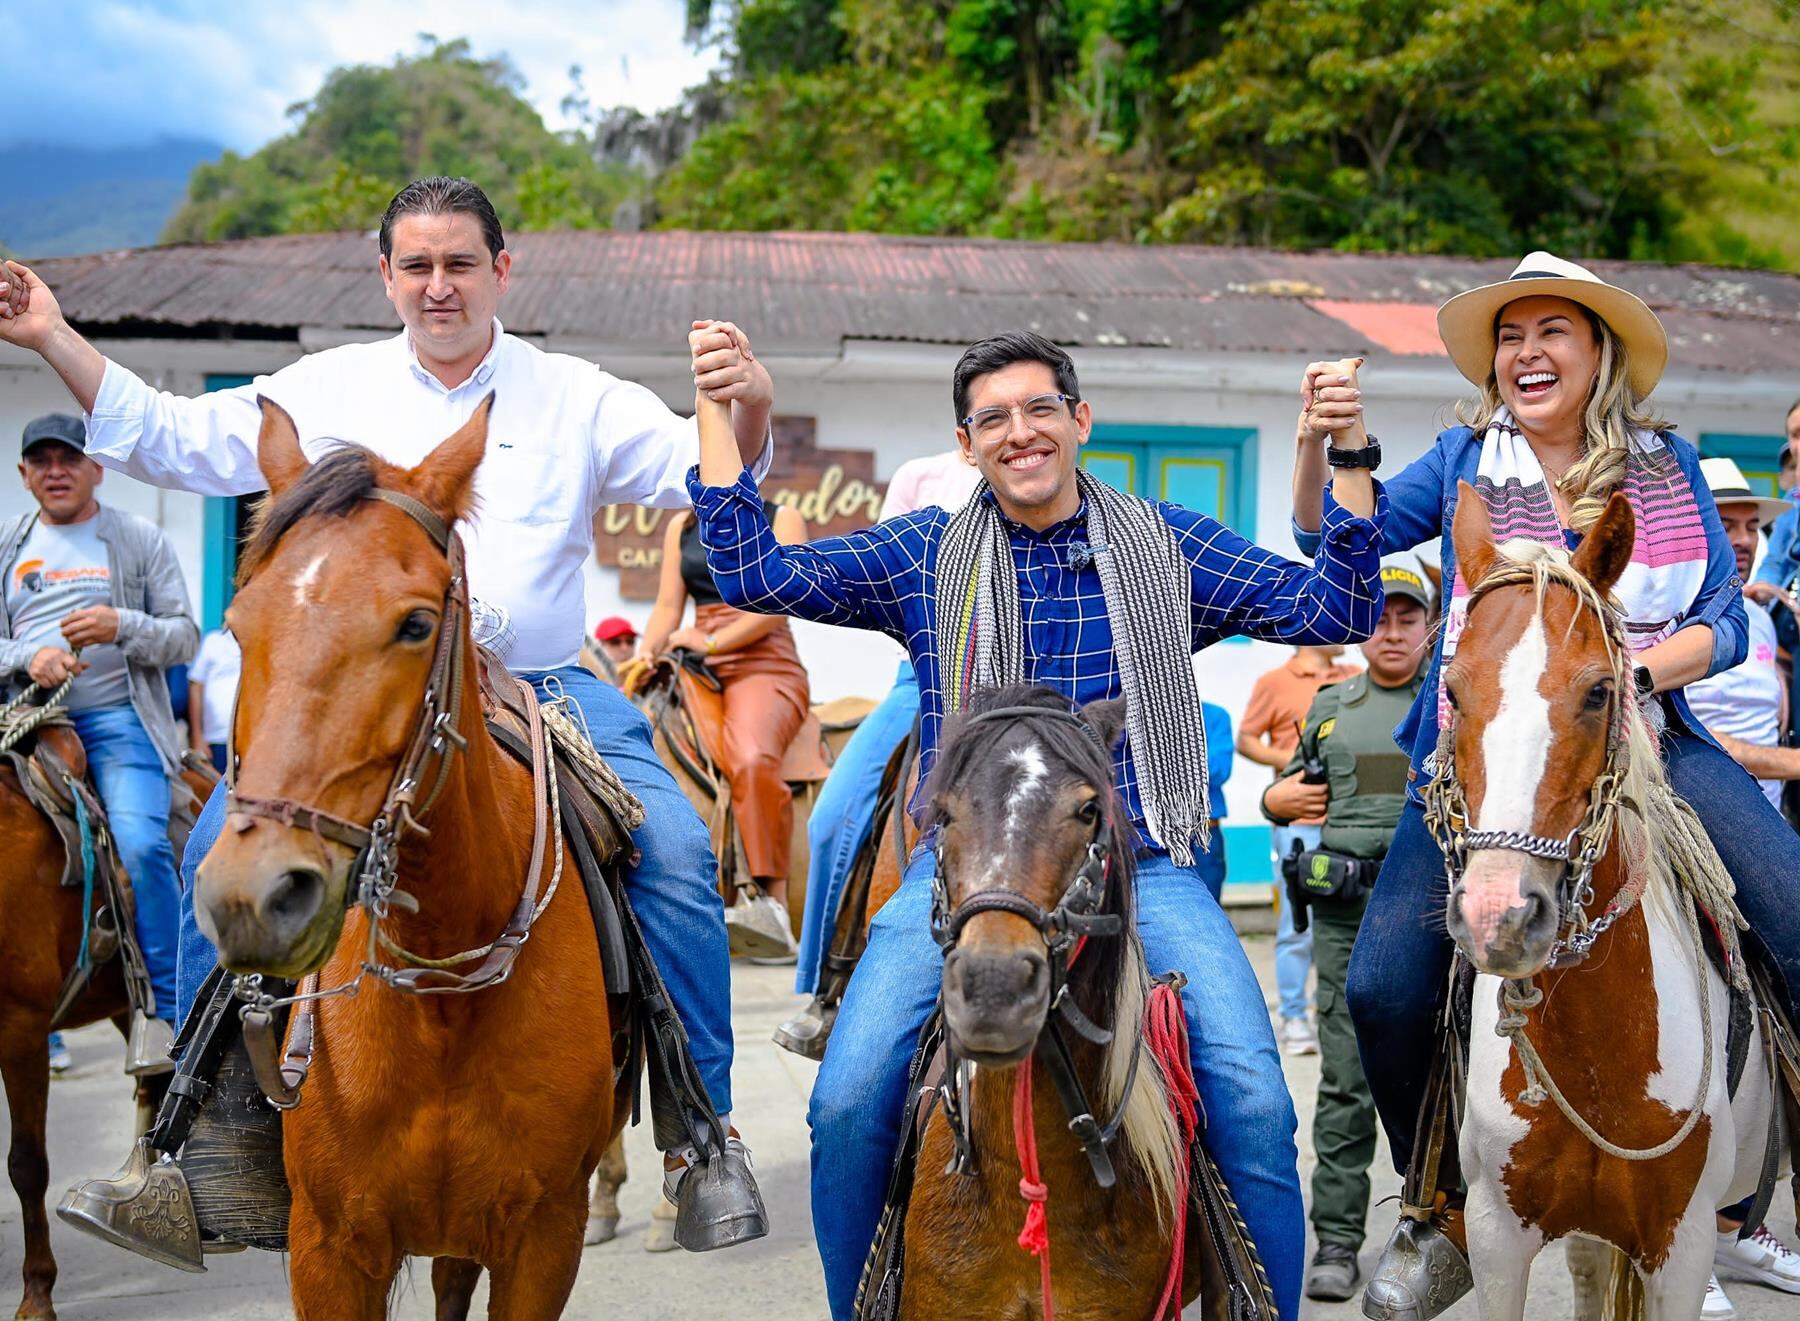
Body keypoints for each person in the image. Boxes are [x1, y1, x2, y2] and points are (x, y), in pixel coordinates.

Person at [0, 176, 777, 1251]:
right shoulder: (328, 385)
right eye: (416, 265)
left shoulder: (574, 394)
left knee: (682, 849)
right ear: (386, 276)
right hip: (363, 695)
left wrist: (749, 407)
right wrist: (51, 333)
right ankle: (190, 1142)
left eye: (460, 263)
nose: (438, 285)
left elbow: (710, 474)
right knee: (204, 861)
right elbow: (175, 437)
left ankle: (703, 1133)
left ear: (502, 271)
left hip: (543, 686)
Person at [689, 329, 1389, 1321]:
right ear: (967, 444)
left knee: (1255, 1102)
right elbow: (751, 574)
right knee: (847, 1102)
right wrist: (735, 414)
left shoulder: (1168, 545)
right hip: (968, 879)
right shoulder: (921, 555)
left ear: (1079, 421)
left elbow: (1347, 600)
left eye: (1039, 410)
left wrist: (1348, 451)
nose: (1020, 433)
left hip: (1144, 868)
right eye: (993, 419)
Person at [1293, 251, 1800, 1319]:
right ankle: (1434, 1208)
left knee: (1792, 907)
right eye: (1510, 337)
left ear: (1598, 353)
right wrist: (1337, 446)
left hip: (1646, 732)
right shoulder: (1465, 459)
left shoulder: (1669, 469)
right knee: (1382, 983)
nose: (1526, 353)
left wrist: (1624, 679)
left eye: (1550, 332)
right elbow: (1347, 538)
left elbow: (1726, 616)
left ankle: (1749, 1198)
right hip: (1481, 762)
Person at [2, 413, 198, 1068]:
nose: (56, 470)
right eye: (43, 460)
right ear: (25, 473)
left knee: (143, 844)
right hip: (26, 721)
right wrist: (30, 656)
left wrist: (123, 624)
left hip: (118, 719)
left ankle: (169, 1012)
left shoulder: (137, 539)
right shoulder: (10, 546)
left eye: (70, 459)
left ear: (97, 470)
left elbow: (183, 635)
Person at [1261, 556, 1432, 1302]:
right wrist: (1274, 798)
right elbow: (1284, 791)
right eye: (1381, 615)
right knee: (1345, 1078)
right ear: (1362, 625)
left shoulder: (1452, 706)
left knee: (1434, 1081)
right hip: (1342, 916)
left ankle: (1428, 1231)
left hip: (1430, 918)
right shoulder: (1329, 707)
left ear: (1431, 627)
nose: (1393, 631)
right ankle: (1336, 1235)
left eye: (1409, 616)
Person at [781, 448, 980, 1052]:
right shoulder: (921, 476)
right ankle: (828, 990)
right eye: (990, 413)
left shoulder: (1056, 487)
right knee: (830, 818)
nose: (1013, 429)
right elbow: (882, 583)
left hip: (1021, 680)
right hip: (921, 679)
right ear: (965, 428)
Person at [636, 502, 812, 958]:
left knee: (751, 755)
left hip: (764, 660)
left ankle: (769, 902)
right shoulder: (682, 523)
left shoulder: (781, 516)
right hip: (696, 661)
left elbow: (781, 604)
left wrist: (712, 640)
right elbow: (668, 607)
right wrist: (647, 651)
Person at [1237, 644, 1359, 1055]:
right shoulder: (1273, 682)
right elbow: (1247, 739)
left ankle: (1346, 1017)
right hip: (1298, 827)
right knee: (1296, 926)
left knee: (1354, 924)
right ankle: (1293, 1016)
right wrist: (1288, 757)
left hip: (1352, 821)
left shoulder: (1354, 676)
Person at [186, 626, 240, 773]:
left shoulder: (262, 641)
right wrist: (197, 736)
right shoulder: (214, 641)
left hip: (251, 742)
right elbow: (195, 686)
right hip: (216, 740)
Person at [1196, 700, 1235, 900]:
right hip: (1151, 838)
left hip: (1204, 833)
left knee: (1209, 908)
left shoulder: (1215, 716)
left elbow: (1220, 770)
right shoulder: (1139, 717)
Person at [588, 615, 639, 683]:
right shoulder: (589, 678)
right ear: (600, 645)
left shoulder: (648, 675)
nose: (624, 648)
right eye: (615, 642)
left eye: (629, 641)